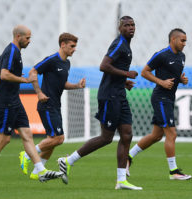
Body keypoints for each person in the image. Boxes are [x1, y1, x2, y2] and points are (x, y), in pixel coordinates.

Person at [0, 25, 63, 190]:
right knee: (4, 139)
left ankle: (40, 170)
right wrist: (24, 80)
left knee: (27, 135)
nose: (30, 41)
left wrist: (14, 77)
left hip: (15, 100)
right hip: (6, 101)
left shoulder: (14, 52)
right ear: (18, 36)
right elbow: (4, 74)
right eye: (27, 38)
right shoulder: (12, 51)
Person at [58, 16, 142, 190]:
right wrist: (126, 75)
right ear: (120, 29)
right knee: (106, 138)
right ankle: (68, 161)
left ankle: (121, 181)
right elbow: (104, 66)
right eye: (126, 25)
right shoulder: (119, 43)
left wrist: (123, 82)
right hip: (110, 96)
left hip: (119, 94)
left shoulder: (126, 45)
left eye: (133, 25)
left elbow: (113, 70)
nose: (131, 28)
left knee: (127, 134)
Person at [18, 33, 85, 182]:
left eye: (75, 46)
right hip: (46, 105)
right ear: (63, 45)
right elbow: (32, 72)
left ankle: (38, 171)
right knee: (59, 139)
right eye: (72, 46)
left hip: (55, 105)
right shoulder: (51, 60)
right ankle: (28, 155)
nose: (74, 49)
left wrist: (76, 86)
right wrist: (39, 93)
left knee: (52, 140)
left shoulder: (67, 63)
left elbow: (63, 84)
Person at [127, 28, 192, 180]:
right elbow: (145, 72)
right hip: (160, 98)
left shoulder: (182, 56)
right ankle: (173, 172)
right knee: (172, 133)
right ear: (173, 39)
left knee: (156, 136)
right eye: (182, 40)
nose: (184, 43)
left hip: (169, 98)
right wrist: (161, 82)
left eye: (185, 41)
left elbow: (173, 76)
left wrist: (181, 80)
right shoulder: (161, 55)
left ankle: (128, 156)